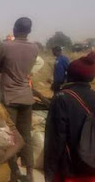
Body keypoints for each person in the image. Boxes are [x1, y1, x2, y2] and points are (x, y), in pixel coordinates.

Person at [0, 17, 39, 182]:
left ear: (14, 27)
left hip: (9, 97)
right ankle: (30, 173)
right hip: (26, 96)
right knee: (26, 135)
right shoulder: (35, 48)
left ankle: (14, 172)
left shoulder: (6, 45)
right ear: (29, 31)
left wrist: (6, 67)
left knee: (9, 136)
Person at [44, 51, 95, 182]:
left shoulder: (62, 98)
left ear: (69, 75)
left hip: (71, 170)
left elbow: (55, 140)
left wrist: (50, 172)